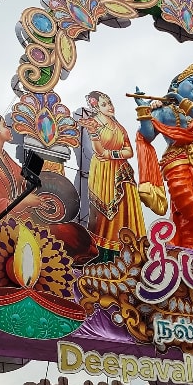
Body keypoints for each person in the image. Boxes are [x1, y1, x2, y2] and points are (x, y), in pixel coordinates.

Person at [133, 62, 193, 252]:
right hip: (176, 160)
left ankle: (191, 253)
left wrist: (182, 101)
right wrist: (144, 110)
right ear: (177, 83)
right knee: (184, 198)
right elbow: (148, 135)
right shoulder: (164, 110)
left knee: (188, 212)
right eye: (192, 82)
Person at [77, 91, 145, 261]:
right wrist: (112, 153)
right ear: (96, 107)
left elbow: (129, 152)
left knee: (126, 212)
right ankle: (104, 256)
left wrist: (111, 154)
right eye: (104, 104)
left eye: (110, 102)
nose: (110, 107)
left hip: (122, 174)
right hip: (103, 173)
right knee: (104, 216)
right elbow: (98, 151)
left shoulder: (119, 127)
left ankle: (131, 253)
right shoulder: (94, 123)